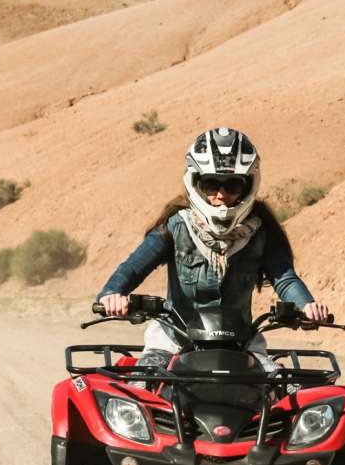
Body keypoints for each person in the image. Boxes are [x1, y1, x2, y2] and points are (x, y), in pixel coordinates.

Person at [97, 128, 330, 366]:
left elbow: (285, 278)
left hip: (240, 345)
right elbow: (134, 267)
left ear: (249, 185)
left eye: (233, 185)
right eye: (211, 184)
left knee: (281, 392)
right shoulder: (176, 227)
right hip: (174, 342)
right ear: (196, 183)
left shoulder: (261, 232)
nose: (221, 194)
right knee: (141, 390)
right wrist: (112, 294)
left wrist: (306, 306)